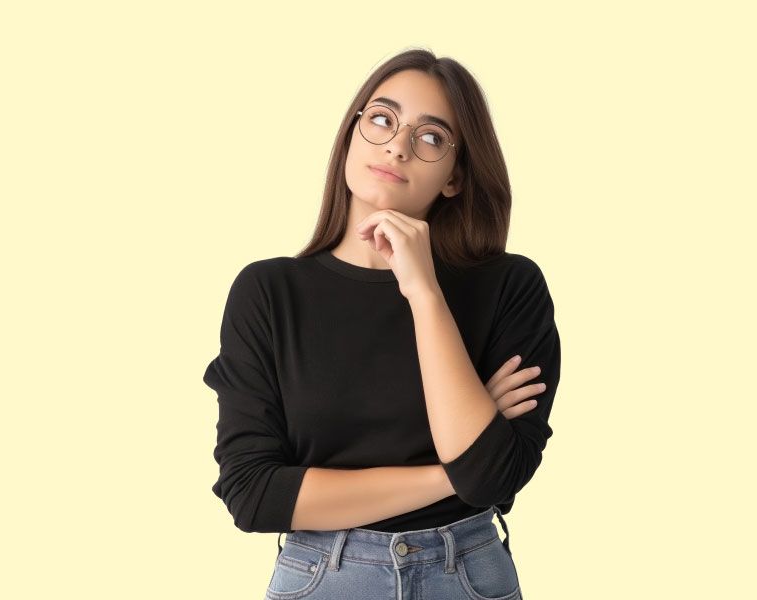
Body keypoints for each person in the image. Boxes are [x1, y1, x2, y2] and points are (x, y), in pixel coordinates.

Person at [203, 48, 561, 600]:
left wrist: (423, 291)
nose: (398, 144)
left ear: (454, 178)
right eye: (382, 119)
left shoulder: (509, 287)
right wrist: (452, 474)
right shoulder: (269, 292)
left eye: (432, 137)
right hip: (322, 578)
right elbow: (254, 495)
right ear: (351, 133)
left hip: (466, 577)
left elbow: (494, 477)